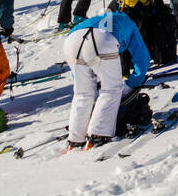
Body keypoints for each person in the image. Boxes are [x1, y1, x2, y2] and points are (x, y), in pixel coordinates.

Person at [64, 11, 151, 149]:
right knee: (111, 89)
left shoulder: (100, 17)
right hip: (101, 39)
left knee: (82, 93)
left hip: (71, 42)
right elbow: (143, 59)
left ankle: (75, 139)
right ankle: (98, 134)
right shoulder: (131, 24)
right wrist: (130, 85)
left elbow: (81, 74)